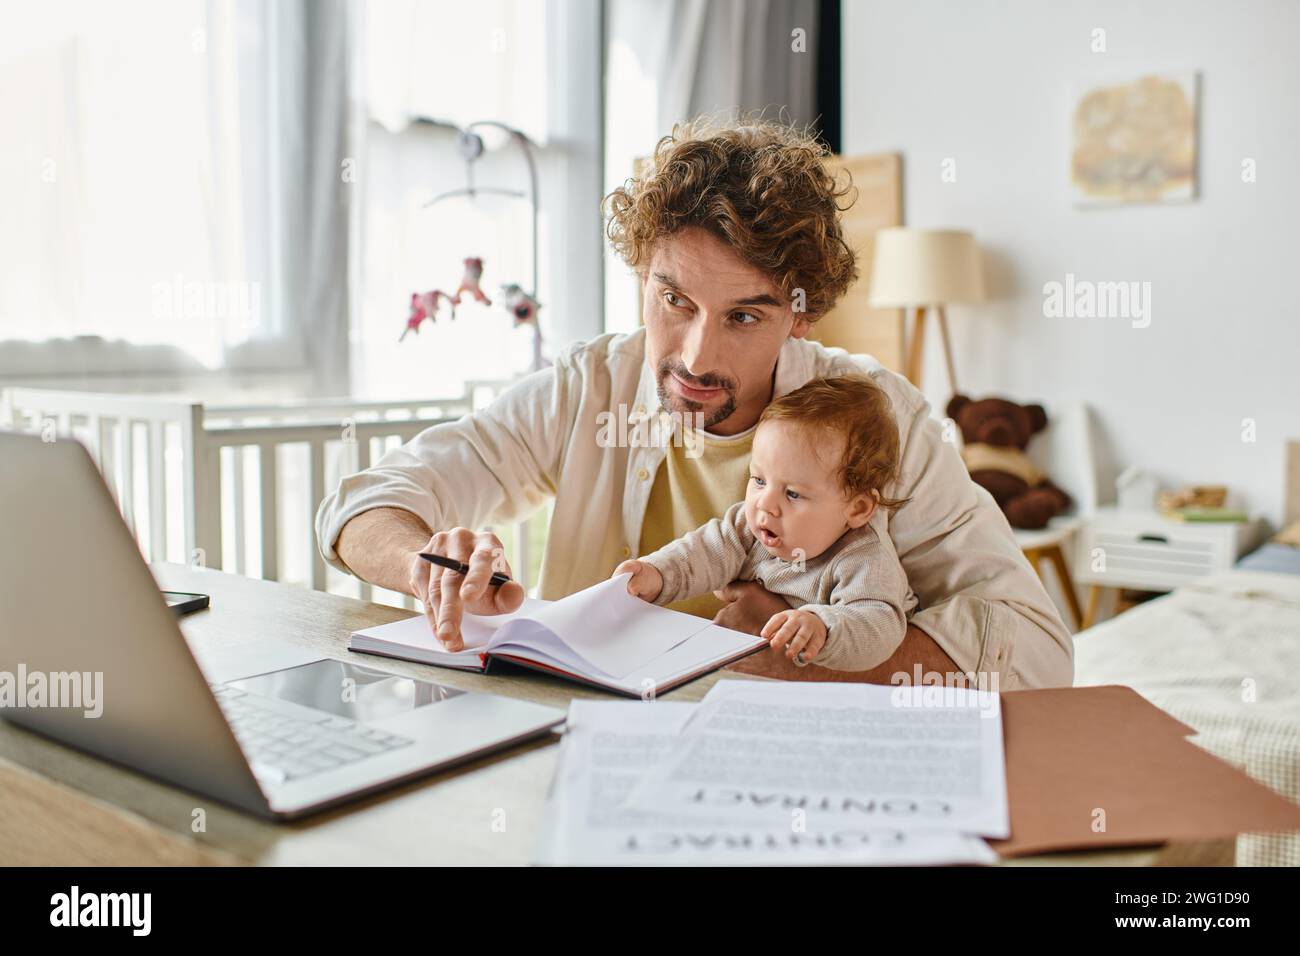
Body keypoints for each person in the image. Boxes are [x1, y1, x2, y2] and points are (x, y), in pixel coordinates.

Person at [315, 115, 1073, 690]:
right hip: (592, 746)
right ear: (642, 273)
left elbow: (1038, 653)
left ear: (802, 317)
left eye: (744, 316)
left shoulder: (884, 419)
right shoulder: (593, 386)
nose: (697, 358)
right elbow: (362, 507)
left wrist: (799, 658)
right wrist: (429, 567)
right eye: (674, 299)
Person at [615, 375, 913, 672]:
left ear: (857, 509)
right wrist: (656, 574)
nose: (765, 505)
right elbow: (702, 552)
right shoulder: (750, 523)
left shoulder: (865, 559)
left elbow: (879, 625)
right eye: (759, 480)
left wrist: (822, 626)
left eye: (793, 494)